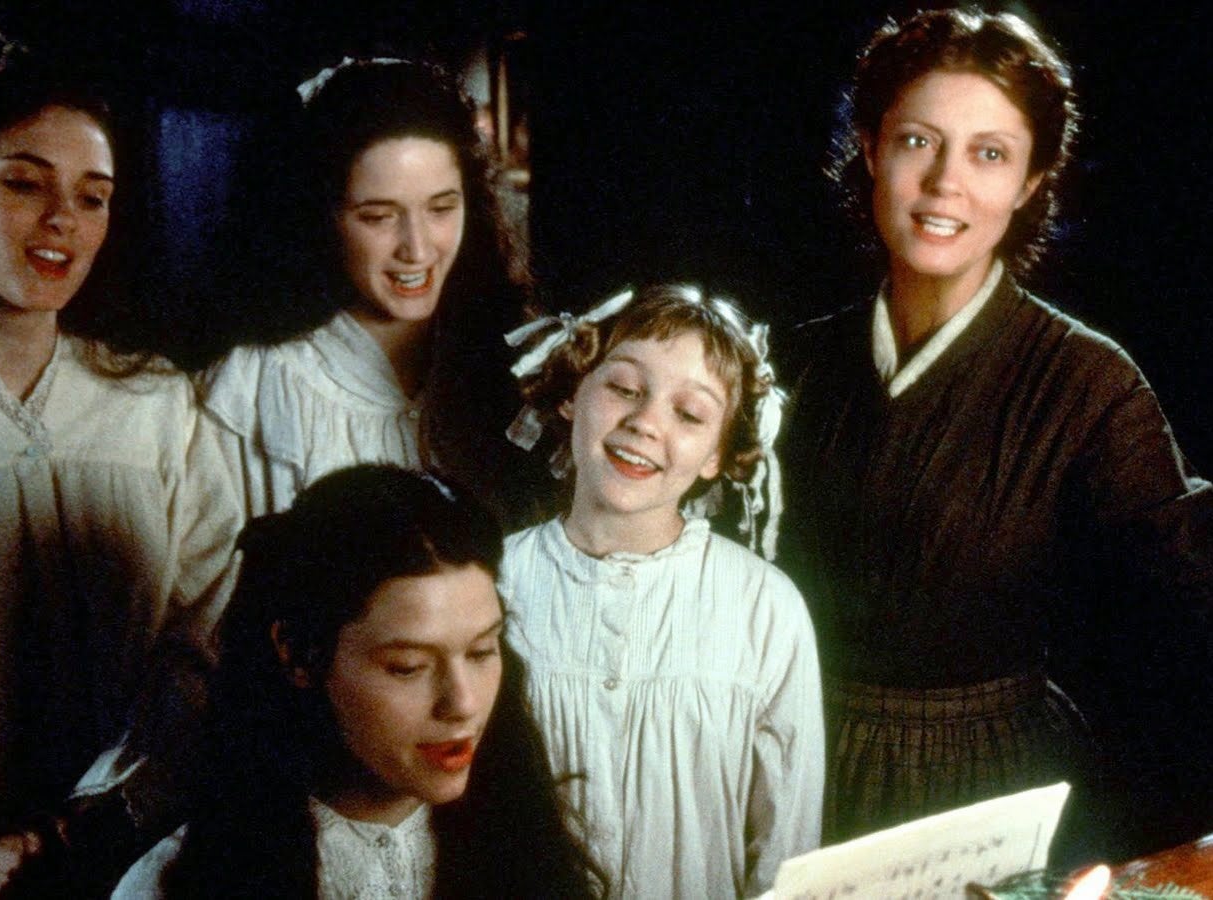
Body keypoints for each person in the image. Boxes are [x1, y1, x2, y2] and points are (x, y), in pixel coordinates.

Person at [777, 7, 1213, 861]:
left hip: (991, 796)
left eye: (989, 153)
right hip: (791, 765)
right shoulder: (790, 362)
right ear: (870, 149)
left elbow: (1190, 582)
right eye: (916, 142)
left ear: (1030, 181)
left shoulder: (1087, 381)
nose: (945, 185)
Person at [0, 39, 241, 899]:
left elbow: (209, 639)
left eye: (92, 196)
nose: (63, 220)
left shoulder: (158, 410)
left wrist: (120, 807)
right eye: (25, 183)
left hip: (135, 859)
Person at [112, 464, 603, 899]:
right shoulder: (178, 881)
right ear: (299, 655)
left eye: (481, 652)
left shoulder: (527, 846)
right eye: (408, 666)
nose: (464, 703)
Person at [499, 284, 824, 897]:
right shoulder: (496, 582)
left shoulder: (764, 608)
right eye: (624, 388)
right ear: (571, 395)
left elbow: (787, 845)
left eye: (690, 414)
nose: (645, 423)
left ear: (715, 456)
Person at [196, 58, 546, 527]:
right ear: (323, 218)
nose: (417, 248)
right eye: (379, 217)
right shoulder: (252, 387)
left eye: (441, 208)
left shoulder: (514, 363)